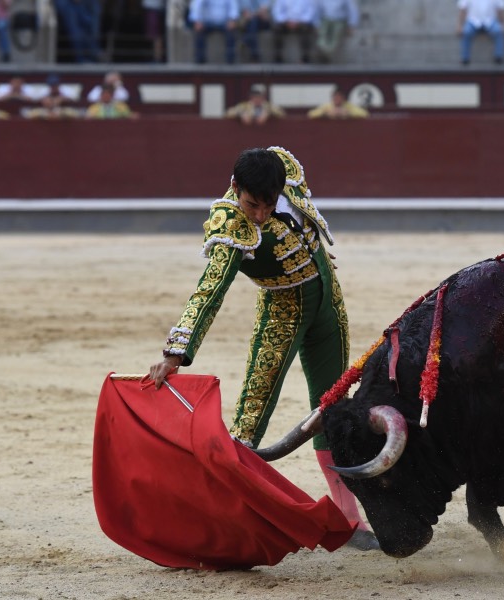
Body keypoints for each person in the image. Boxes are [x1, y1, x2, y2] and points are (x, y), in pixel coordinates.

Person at [147, 146, 379, 552]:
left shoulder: (283, 168)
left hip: (328, 302)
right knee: (249, 421)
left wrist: (313, 250)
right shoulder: (229, 224)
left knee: (333, 407)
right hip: (282, 314)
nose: (259, 215)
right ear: (235, 187)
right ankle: (224, 521)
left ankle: (348, 519)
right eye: (252, 204)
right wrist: (175, 352)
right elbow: (210, 290)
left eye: (268, 205)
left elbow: (301, 212)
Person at [188, 0, 240, 64]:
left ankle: (231, 59)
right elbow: (196, 6)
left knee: (231, 32)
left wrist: (232, 19)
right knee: (199, 32)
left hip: (224, 22)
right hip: (207, 22)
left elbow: (233, 7)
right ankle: (200, 59)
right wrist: (197, 20)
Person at [457, 0, 504, 66]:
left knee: (498, 31)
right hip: (472, 21)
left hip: (490, 21)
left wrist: (502, 24)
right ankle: (465, 58)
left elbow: (500, 10)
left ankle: (498, 57)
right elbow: (463, 10)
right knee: (466, 32)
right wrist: (460, 25)